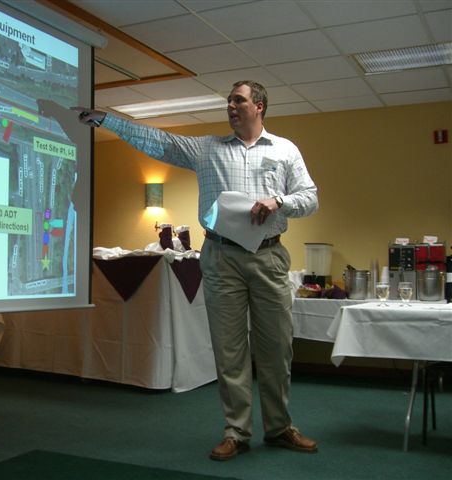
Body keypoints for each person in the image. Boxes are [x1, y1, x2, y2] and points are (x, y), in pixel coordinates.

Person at [72, 80, 319, 460]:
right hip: (220, 257)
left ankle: (280, 427)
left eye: (239, 100)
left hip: (269, 257)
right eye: (229, 101)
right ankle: (236, 431)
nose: (231, 106)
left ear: (260, 106)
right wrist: (109, 121)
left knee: (275, 348)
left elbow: (309, 198)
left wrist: (278, 201)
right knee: (229, 349)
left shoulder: (285, 150)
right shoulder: (207, 149)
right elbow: (158, 141)